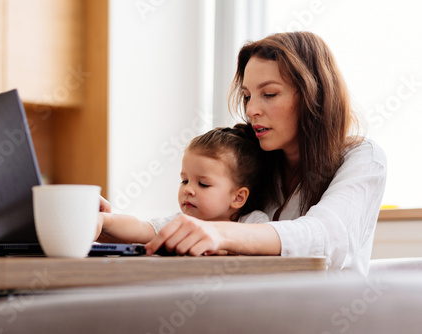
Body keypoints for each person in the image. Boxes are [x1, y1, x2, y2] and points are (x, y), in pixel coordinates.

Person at [101, 32, 387, 273]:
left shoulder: (362, 158)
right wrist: (106, 224)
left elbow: (326, 239)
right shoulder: (257, 158)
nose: (251, 110)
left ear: (314, 96)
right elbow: (166, 225)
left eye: (270, 94)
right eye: (247, 96)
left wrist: (221, 234)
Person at [96, 125, 269, 252]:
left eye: (203, 184)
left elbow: (265, 250)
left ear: (238, 197)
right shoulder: (180, 222)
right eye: (184, 181)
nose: (188, 190)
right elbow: (142, 228)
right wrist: (105, 220)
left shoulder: (253, 222)